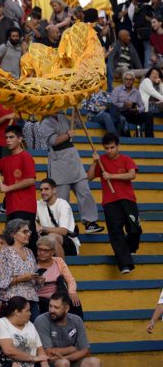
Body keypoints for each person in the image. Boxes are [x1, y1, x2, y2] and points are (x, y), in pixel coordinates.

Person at [86, 133, 141, 274]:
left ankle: (129, 249)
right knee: (116, 233)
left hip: (128, 199)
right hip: (110, 202)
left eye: (112, 147)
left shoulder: (126, 159)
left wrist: (111, 176)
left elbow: (132, 174)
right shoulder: (101, 160)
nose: (109, 151)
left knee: (135, 229)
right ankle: (124, 264)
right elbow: (89, 177)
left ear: (118, 146)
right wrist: (94, 161)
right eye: (106, 148)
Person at [39, 113, 103, 233]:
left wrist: (77, 112)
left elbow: (78, 125)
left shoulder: (63, 117)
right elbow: (53, 141)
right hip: (58, 160)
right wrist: (68, 134)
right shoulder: (45, 123)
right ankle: (65, 226)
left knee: (85, 191)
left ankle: (90, 222)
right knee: (62, 198)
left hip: (73, 158)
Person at [0, 125, 38, 251]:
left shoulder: (26, 156)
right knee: (13, 242)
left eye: (11, 137)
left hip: (25, 206)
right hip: (11, 207)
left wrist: (8, 188)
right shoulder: (5, 160)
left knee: (26, 242)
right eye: (6, 137)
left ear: (20, 139)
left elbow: (31, 180)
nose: (8, 140)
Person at [34, 291, 101, 366]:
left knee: (95, 362)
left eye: (56, 307)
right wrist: (72, 349)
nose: (52, 310)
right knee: (64, 363)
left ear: (66, 308)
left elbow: (86, 350)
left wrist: (66, 357)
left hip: (72, 359)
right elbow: (49, 352)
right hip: (51, 362)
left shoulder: (76, 320)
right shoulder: (42, 320)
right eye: (50, 306)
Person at [0, 219, 42, 318]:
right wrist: (22, 278)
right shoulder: (4, 253)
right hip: (13, 301)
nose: (28, 234)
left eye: (29, 231)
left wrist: (39, 279)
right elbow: (0, 282)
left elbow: (35, 284)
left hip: (31, 300)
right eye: (24, 232)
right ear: (13, 234)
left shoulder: (29, 252)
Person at [0, 296, 50, 367]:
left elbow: (40, 349)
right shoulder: (0, 324)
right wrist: (33, 358)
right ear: (17, 312)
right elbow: (9, 350)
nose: (30, 313)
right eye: (27, 310)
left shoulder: (30, 325)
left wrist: (45, 365)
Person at [35, 236, 83, 319]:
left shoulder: (58, 261)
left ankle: (78, 328)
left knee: (75, 302)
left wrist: (72, 292)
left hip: (57, 295)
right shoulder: (32, 263)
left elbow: (70, 279)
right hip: (39, 298)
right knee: (47, 304)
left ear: (52, 252)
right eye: (40, 249)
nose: (42, 253)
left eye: (46, 250)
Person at [110, 72, 154, 137]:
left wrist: (137, 110)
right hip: (121, 113)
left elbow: (142, 106)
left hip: (133, 113)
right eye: (126, 79)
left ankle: (149, 137)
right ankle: (127, 136)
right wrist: (123, 104)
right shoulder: (117, 90)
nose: (128, 81)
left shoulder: (136, 92)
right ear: (123, 80)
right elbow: (112, 103)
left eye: (130, 79)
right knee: (122, 116)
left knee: (149, 114)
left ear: (133, 81)